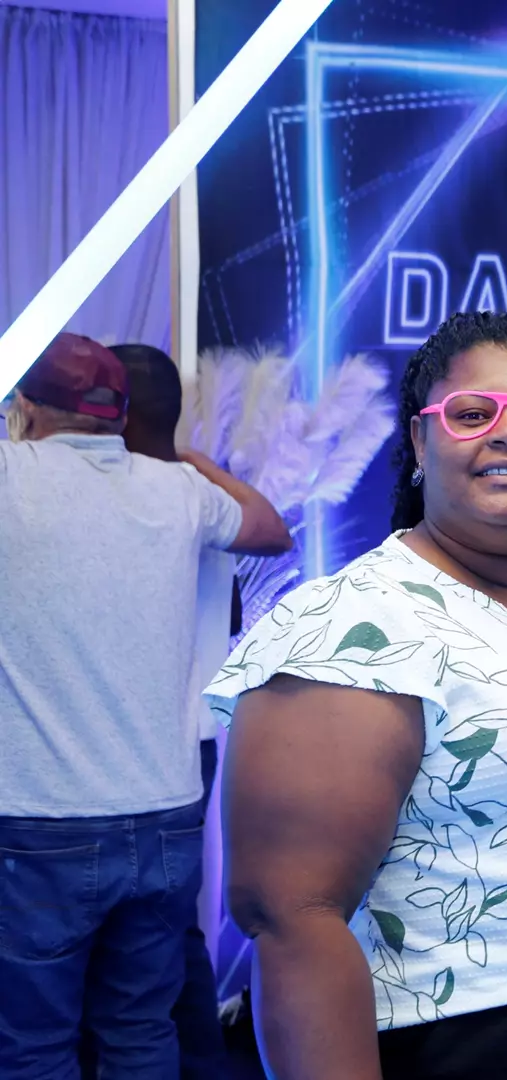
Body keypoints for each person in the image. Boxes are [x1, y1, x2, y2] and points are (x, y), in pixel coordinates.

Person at [210, 311, 507, 1080]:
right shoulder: (352, 626)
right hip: (482, 1035)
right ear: (419, 441)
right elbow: (294, 920)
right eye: (472, 415)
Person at [0, 332, 292, 1077]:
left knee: (34, 1046)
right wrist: (190, 461)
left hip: (40, 824)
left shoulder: (9, 473)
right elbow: (269, 529)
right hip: (165, 817)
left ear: (27, 409)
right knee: (140, 1032)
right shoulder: (179, 492)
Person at [113, 342, 238, 1079]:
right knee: (166, 929)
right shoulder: (201, 495)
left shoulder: (150, 498)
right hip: (192, 736)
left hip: (143, 740)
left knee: (145, 938)